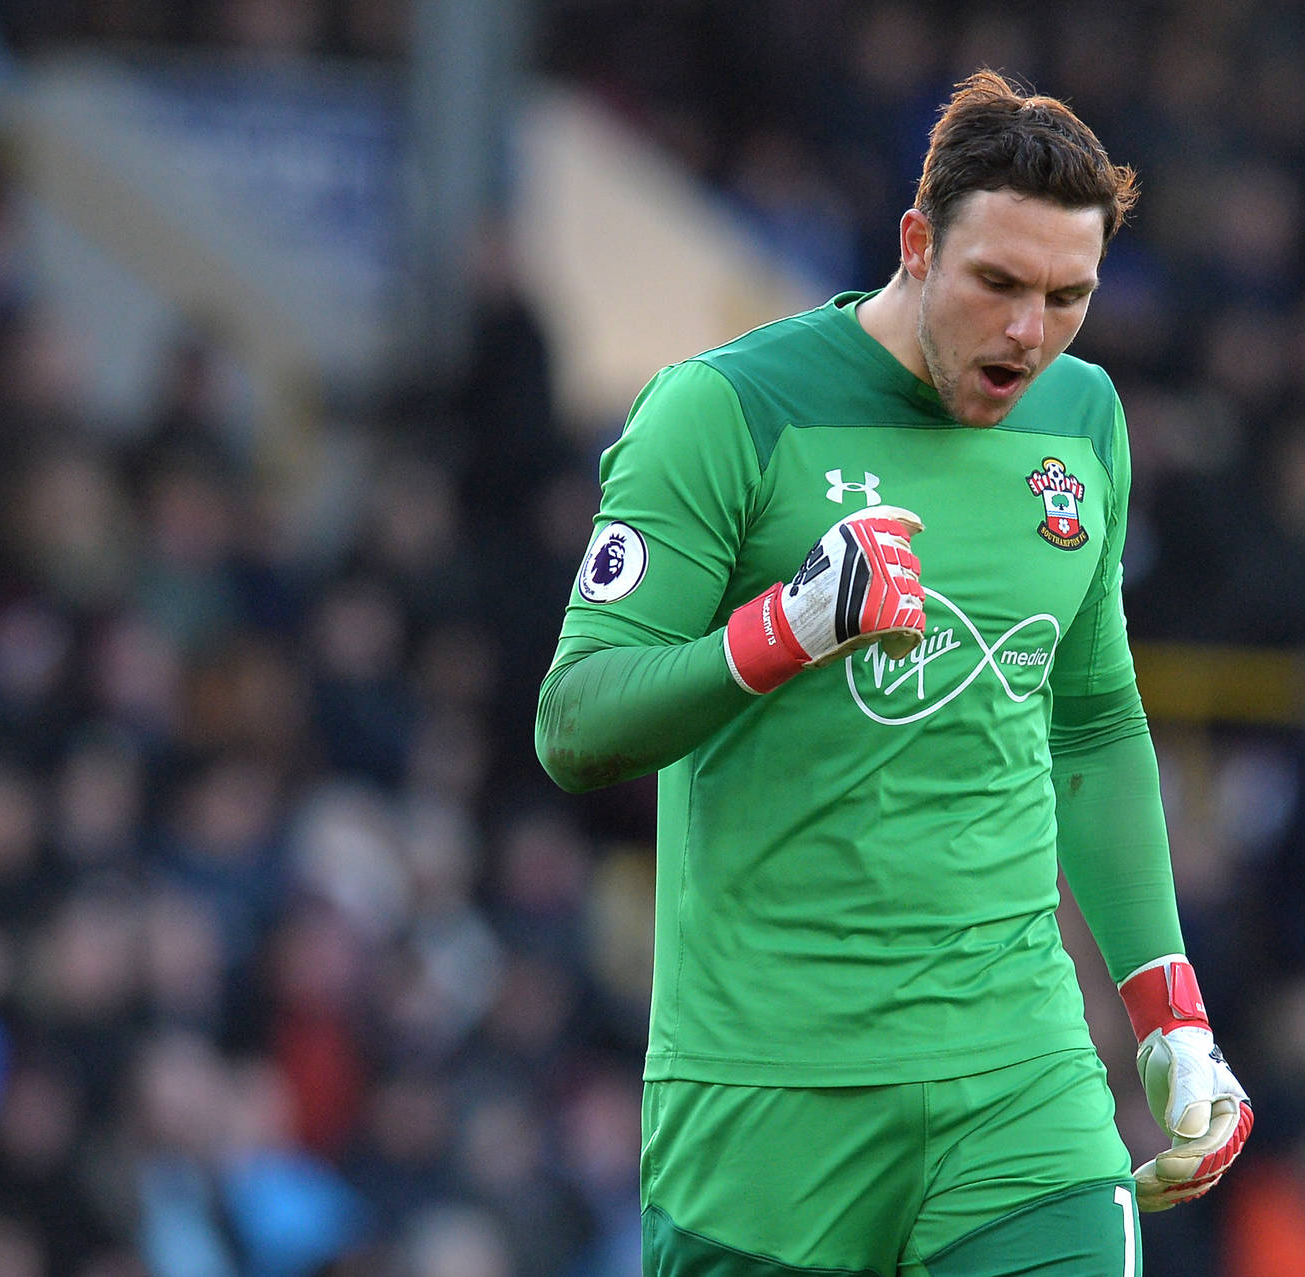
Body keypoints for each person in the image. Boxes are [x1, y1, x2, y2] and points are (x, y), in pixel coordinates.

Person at [536, 71, 1251, 1276]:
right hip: (767, 1097)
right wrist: (787, 627)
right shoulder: (723, 413)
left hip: (1019, 1079)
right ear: (917, 245)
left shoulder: (1083, 421)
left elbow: (1092, 727)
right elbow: (575, 718)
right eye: (1000, 285)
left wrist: (1167, 1007)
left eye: (1069, 296)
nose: (1032, 332)